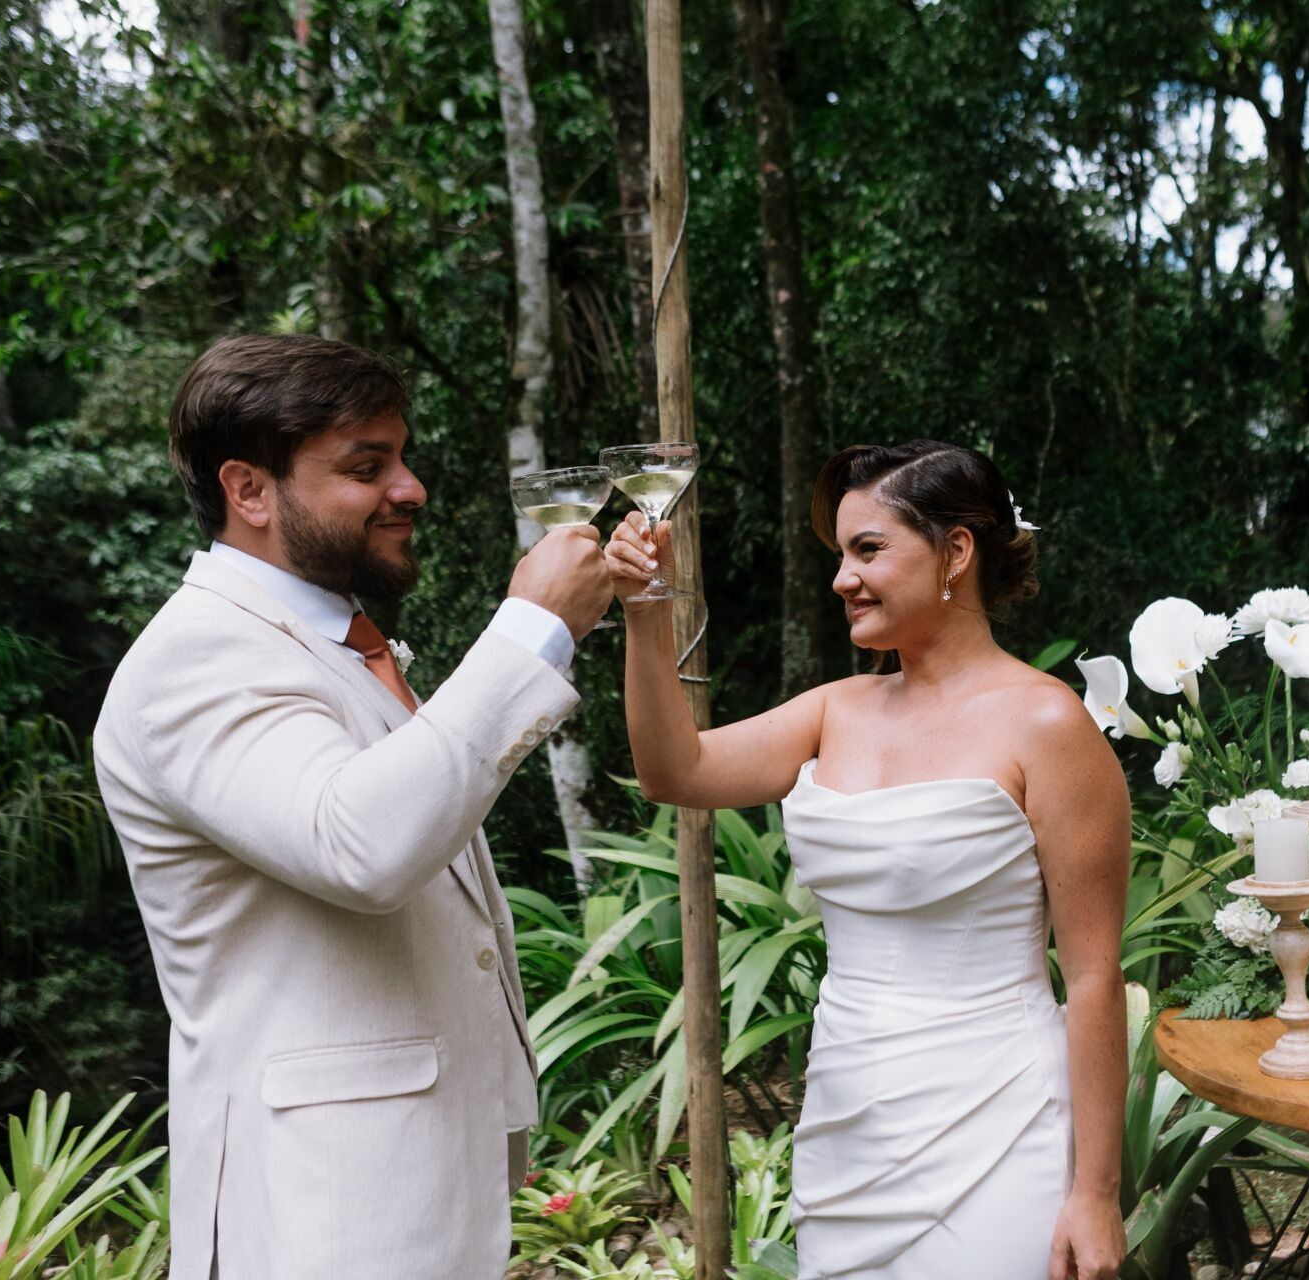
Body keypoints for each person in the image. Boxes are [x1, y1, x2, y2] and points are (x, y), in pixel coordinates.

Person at [93, 334, 619, 1280]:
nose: (410, 487)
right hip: (326, 1210)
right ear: (249, 491)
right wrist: (532, 632)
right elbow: (362, 846)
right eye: (367, 466)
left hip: (414, 1180)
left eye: (402, 457)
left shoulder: (326, 641)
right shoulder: (196, 657)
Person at [606, 440, 1131, 1280]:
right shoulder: (835, 709)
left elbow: (1097, 979)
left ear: (956, 551)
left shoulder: (1047, 725)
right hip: (848, 1118)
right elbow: (674, 771)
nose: (843, 578)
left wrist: (1096, 1194)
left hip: (998, 1117)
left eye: (869, 550)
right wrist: (644, 609)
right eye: (840, 555)